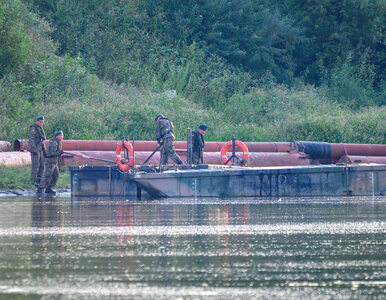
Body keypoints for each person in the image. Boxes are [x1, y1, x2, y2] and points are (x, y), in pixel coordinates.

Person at [37, 130, 63, 195]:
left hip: (54, 161)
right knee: (47, 175)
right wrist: (59, 152)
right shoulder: (54, 142)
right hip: (50, 161)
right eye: (61, 135)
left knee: (55, 175)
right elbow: (52, 153)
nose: (62, 137)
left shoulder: (58, 142)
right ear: (57, 136)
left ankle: (49, 188)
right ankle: (40, 189)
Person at [28, 116, 46, 187]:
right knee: (35, 165)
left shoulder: (40, 129)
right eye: (40, 122)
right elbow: (31, 140)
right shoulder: (34, 129)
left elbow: (43, 139)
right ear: (37, 121)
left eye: (42, 122)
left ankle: (39, 179)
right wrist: (34, 149)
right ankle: (33, 179)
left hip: (40, 149)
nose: (41, 123)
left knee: (42, 164)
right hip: (35, 149)